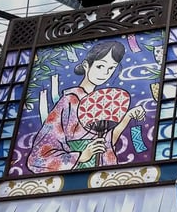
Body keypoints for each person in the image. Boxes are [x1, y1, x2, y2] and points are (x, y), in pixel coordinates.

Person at [26, 40, 146, 173]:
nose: (105, 73)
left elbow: (107, 141)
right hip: (74, 172)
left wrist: (128, 116)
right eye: (100, 66)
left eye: (111, 68)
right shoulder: (68, 100)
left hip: (101, 169)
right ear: (86, 65)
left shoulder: (103, 101)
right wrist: (81, 156)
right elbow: (41, 152)